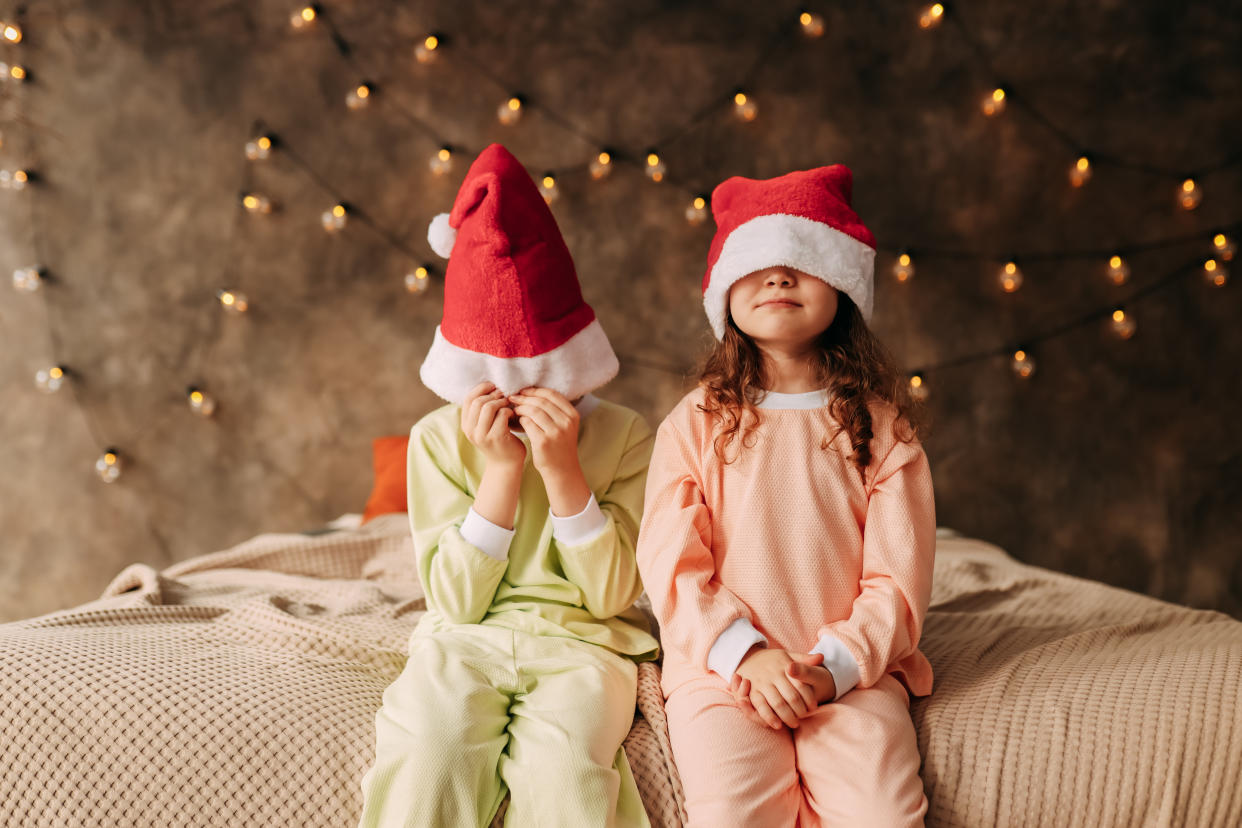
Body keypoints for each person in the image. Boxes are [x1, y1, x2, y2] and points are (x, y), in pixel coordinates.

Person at [358, 143, 657, 828]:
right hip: (465, 642)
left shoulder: (630, 436)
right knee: (428, 757)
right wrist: (501, 472)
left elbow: (612, 595)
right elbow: (457, 603)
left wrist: (562, 470)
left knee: (568, 780)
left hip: (587, 648)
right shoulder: (437, 440)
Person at [636, 163, 936, 827]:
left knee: (886, 816)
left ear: (844, 283)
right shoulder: (694, 423)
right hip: (722, 672)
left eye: (800, 260)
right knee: (734, 816)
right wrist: (745, 653)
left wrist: (831, 669)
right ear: (725, 293)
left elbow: (899, 581)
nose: (778, 277)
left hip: (849, 673)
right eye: (758, 264)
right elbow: (669, 564)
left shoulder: (885, 429)